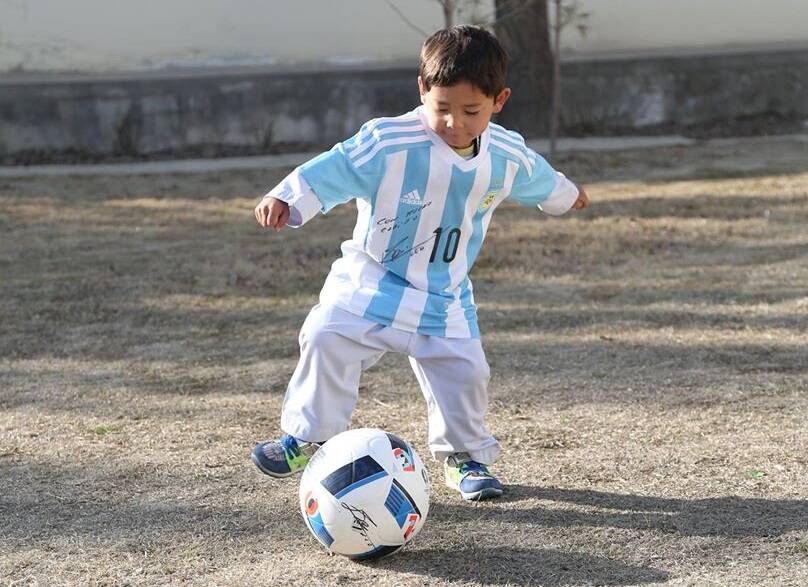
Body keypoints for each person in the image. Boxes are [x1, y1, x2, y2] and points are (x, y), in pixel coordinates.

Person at [251, 25, 589, 501]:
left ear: (499, 100)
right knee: (325, 337)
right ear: (421, 91)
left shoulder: (505, 154)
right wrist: (285, 196)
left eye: (471, 111)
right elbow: (334, 166)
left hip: (442, 293)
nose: (455, 123)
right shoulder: (389, 141)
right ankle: (306, 438)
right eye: (442, 109)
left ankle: (464, 458)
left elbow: (539, 176)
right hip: (370, 281)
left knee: (466, 373)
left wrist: (568, 195)